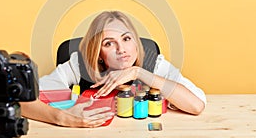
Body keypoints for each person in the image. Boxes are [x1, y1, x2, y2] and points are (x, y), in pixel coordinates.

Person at [21, 10, 206, 128]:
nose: (121, 50)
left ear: (135, 41)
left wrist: (138, 72)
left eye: (126, 39)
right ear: (98, 53)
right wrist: (62, 118)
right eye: (109, 43)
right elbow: (21, 102)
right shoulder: (80, 64)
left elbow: (196, 105)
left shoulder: (153, 62)